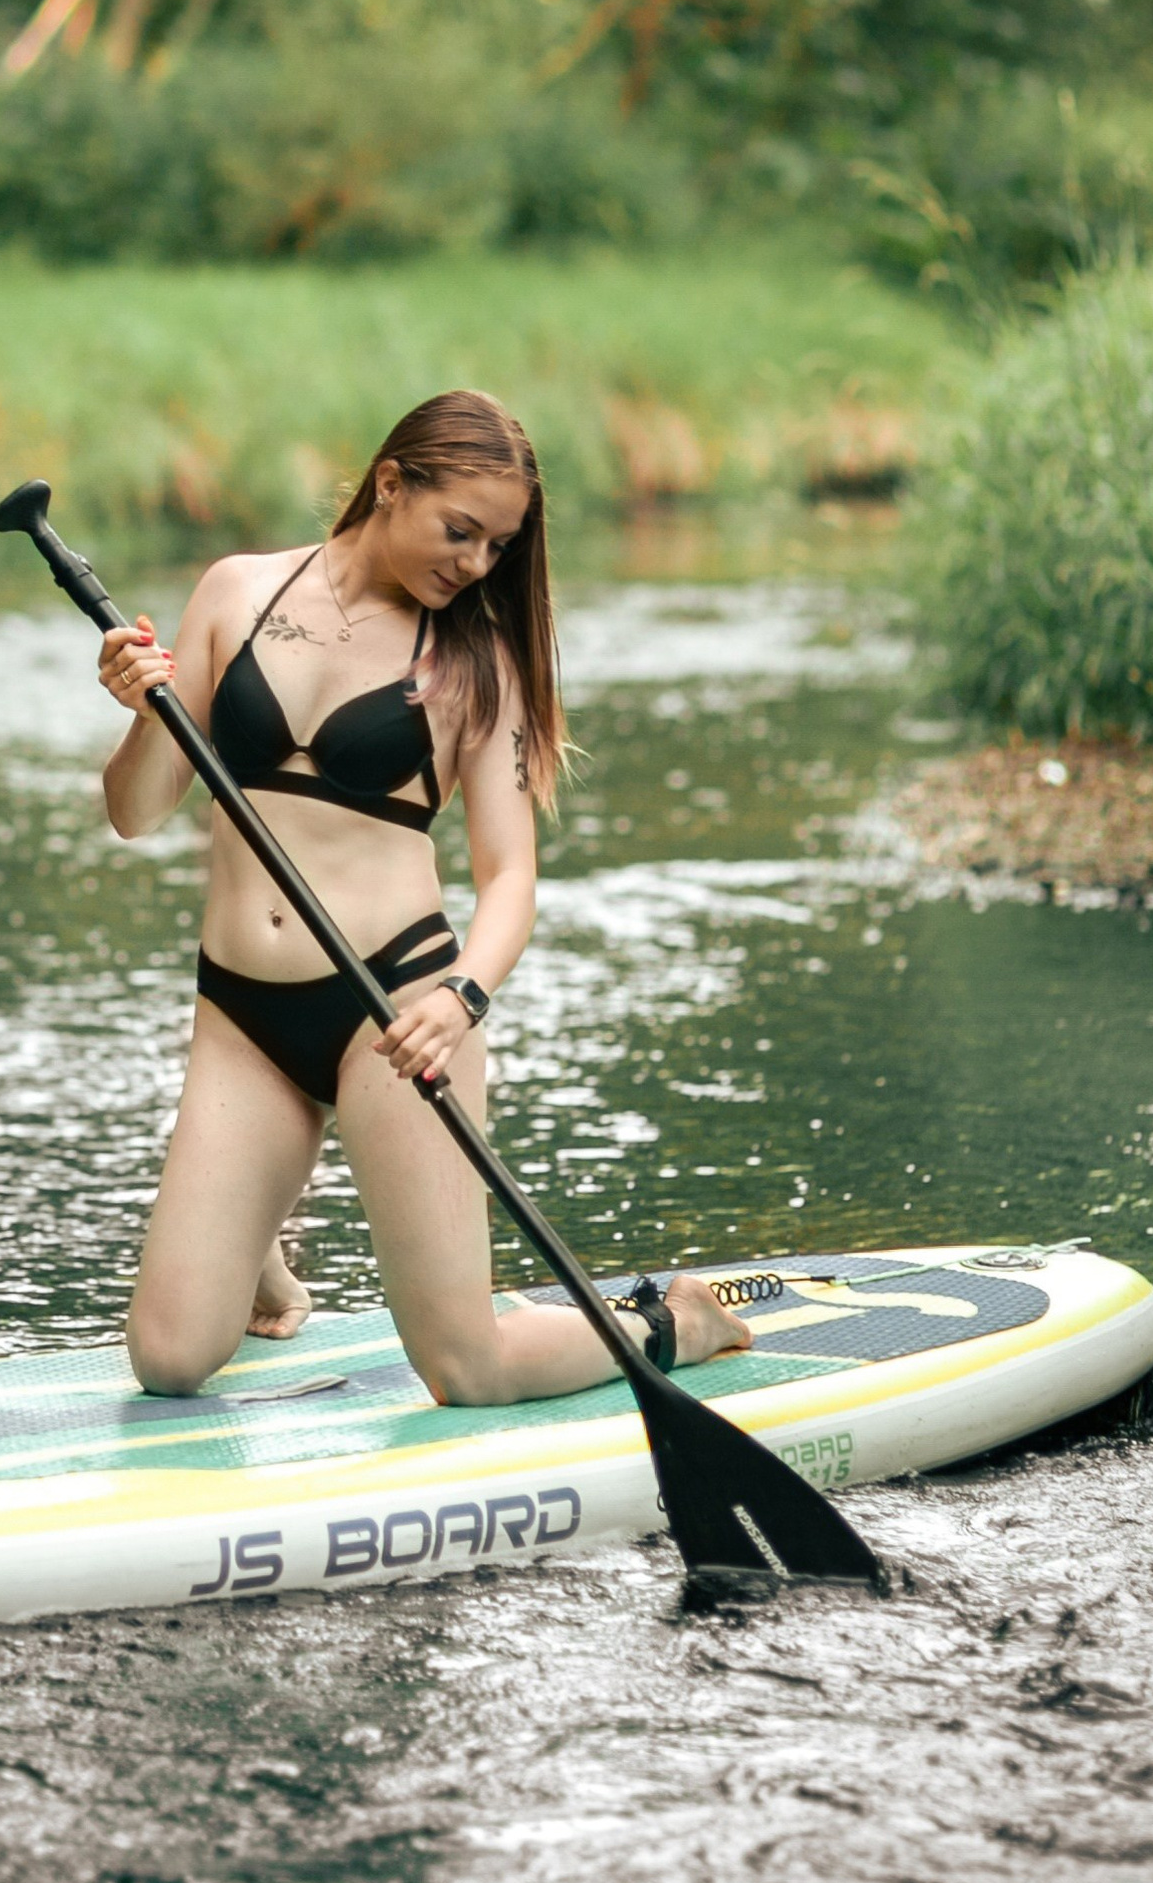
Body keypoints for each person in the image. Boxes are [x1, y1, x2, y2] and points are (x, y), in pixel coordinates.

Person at [96, 388, 752, 1407]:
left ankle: (675, 1322)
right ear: (392, 483)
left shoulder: (474, 662)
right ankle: (256, 1241)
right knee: (168, 1360)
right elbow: (136, 813)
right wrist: (146, 711)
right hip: (241, 1015)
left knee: (466, 1370)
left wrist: (462, 999)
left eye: (498, 546)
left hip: (395, 1015)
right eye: (462, 531)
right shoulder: (237, 591)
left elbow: (510, 876)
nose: (478, 564)